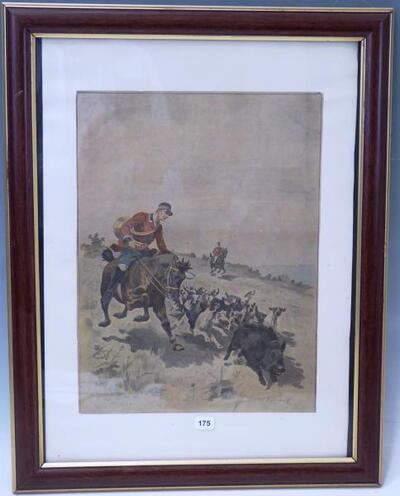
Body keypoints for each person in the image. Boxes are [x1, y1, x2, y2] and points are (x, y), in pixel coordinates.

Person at [111, 202, 173, 270]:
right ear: (159, 211)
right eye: (166, 212)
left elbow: (161, 244)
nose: (167, 216)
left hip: (143, 251)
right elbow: (126, 226)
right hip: (129, 248)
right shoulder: (143, 216)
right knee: (122, 267)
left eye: (169, 214)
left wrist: (169, 253)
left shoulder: (159, 227)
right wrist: (129, 240)